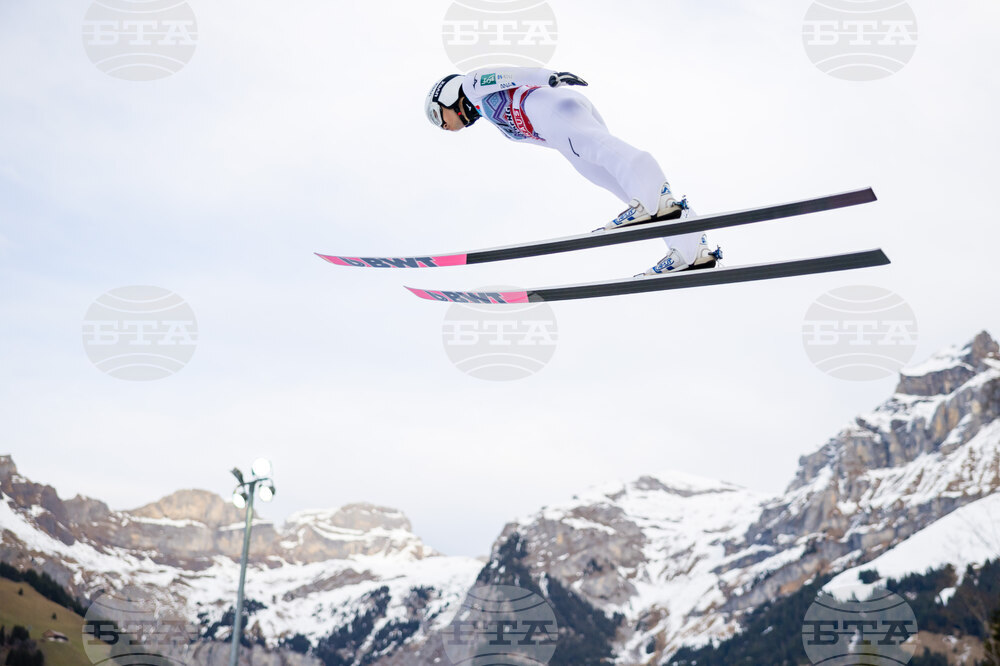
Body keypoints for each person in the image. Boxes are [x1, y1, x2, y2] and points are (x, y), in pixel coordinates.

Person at [425, 68, 722, 276]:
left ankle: (656, 201)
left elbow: (510, 74)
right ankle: (691, 250)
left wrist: (549, 77)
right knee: (613, 181)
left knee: (608, 151)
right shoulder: (487, 112)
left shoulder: (473, 84)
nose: (443, 126)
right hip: (556, 132)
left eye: (438, 115)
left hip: (552, 107)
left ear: (447, 93)